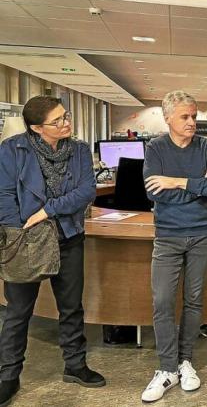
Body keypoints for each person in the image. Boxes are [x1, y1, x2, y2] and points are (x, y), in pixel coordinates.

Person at [0, 96, 105, 406]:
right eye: (57, 121)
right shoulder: (12, 150)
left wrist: (48, 211)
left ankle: (75, 365)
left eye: (66, 116)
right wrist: (20, 231)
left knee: (71, 306)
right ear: (36, 128)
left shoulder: (80, 150)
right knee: (18, 312)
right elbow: (4, 196)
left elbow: (86, 190)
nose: (66, 123)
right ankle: (8, 376)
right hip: (27, 239)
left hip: (69, 235)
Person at [140, 90, 207, 402]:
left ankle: (185, 360)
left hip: (204, 234)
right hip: (168, 235)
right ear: (168, 119)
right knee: (163, 300)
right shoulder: (156, 148)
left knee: (193, 299)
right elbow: (155, 194)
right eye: (185, 117)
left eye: (194, 116)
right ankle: (166, 369)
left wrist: (177, 182)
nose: (192, 122)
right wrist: (199, 185)